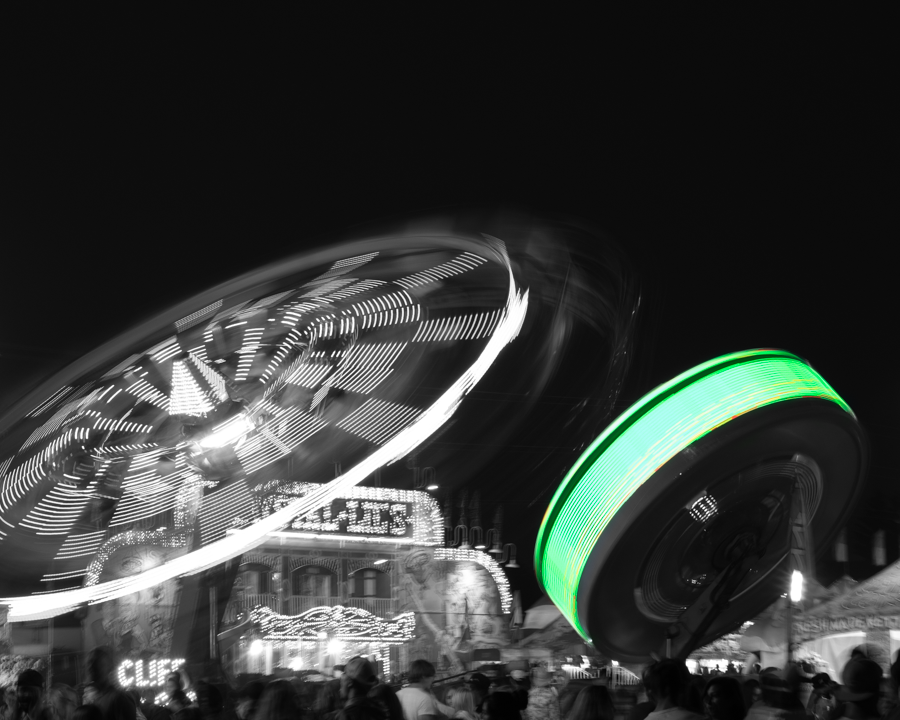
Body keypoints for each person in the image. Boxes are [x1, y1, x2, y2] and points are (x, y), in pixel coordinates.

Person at [84, 648, 136, 720]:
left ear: (109, 668)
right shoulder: (91, 698)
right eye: (89, 664)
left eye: (96, 664)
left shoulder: (120, 698)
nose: (91, 668)